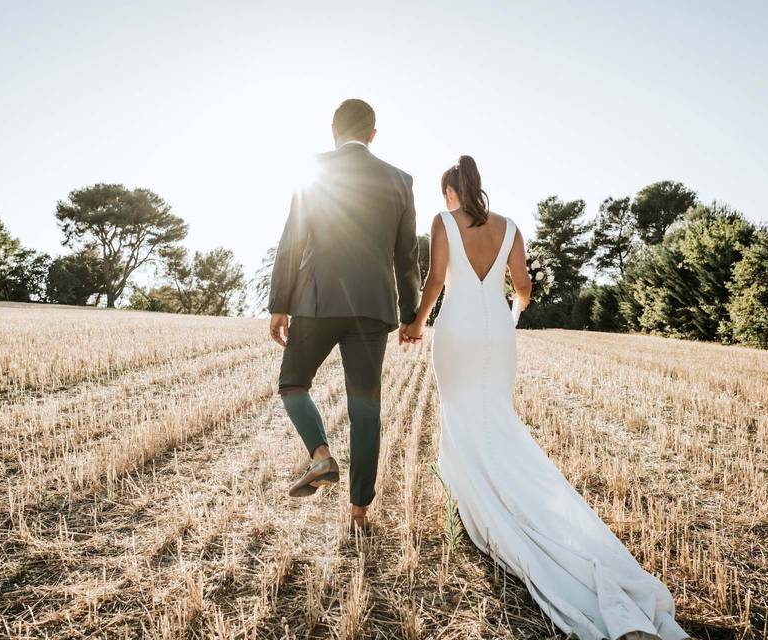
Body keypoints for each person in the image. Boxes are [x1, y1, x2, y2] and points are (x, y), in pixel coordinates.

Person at [403, 156, 688, 640]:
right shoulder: (511, 227)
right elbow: (524, 286)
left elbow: (435, 281)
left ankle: (481, 504)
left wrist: (415, 322)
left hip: (457, 331)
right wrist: (512, 311)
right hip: (497, 335)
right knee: (498, 419)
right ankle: (512, 497)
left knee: (462, 417)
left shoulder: (442, 222)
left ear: (450, 192)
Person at [268, 98, 420, 532]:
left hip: (317, 301)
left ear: (333, 129)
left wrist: (280, 302)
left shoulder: (313, 169)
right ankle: (359, 512)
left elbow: (292, 240)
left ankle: (320, 457)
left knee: (293, 384)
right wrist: (411, 315)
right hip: (373, 307)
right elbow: (406, 255)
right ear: (374, 134)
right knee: (366, 408)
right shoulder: (400, 180)